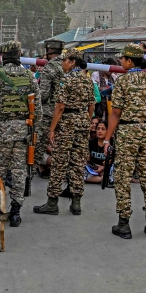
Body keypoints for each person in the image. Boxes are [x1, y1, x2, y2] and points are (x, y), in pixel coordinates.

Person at [104, 44, 146, 239]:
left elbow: (115, 112)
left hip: (126, 132)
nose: (120, 61)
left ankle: (124, 224)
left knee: (123, 178)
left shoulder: (123, 82)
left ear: (130, 60)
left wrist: (107, 139)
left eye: (122, 59)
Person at [0, 41, 39, 227]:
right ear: (19, 54)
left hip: (1, 132)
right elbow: (38, 110)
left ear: (2, 55)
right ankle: (16, 212)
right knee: (20, 171)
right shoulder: (29, 76)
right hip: (23, 132)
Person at [34, 48, 95, 216]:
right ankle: (76, 202)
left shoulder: (66, 80)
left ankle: (52, 202)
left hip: (67, 122)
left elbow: (60, 107)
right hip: (82, 122)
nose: (62, 64)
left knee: (60, 161)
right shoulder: (87, 80)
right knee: (78, 161)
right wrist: (86, 122)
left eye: (65, 61)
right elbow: (92, 104)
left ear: (72, 62)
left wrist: (52, 129)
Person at [35, 39, 66, 177]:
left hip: (49, 113)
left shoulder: (50, 67)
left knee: (38, 146)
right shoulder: (68, 65)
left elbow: (43, 93)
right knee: (62, 147)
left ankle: (27, 180)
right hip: (66, 112)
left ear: (48, 50)